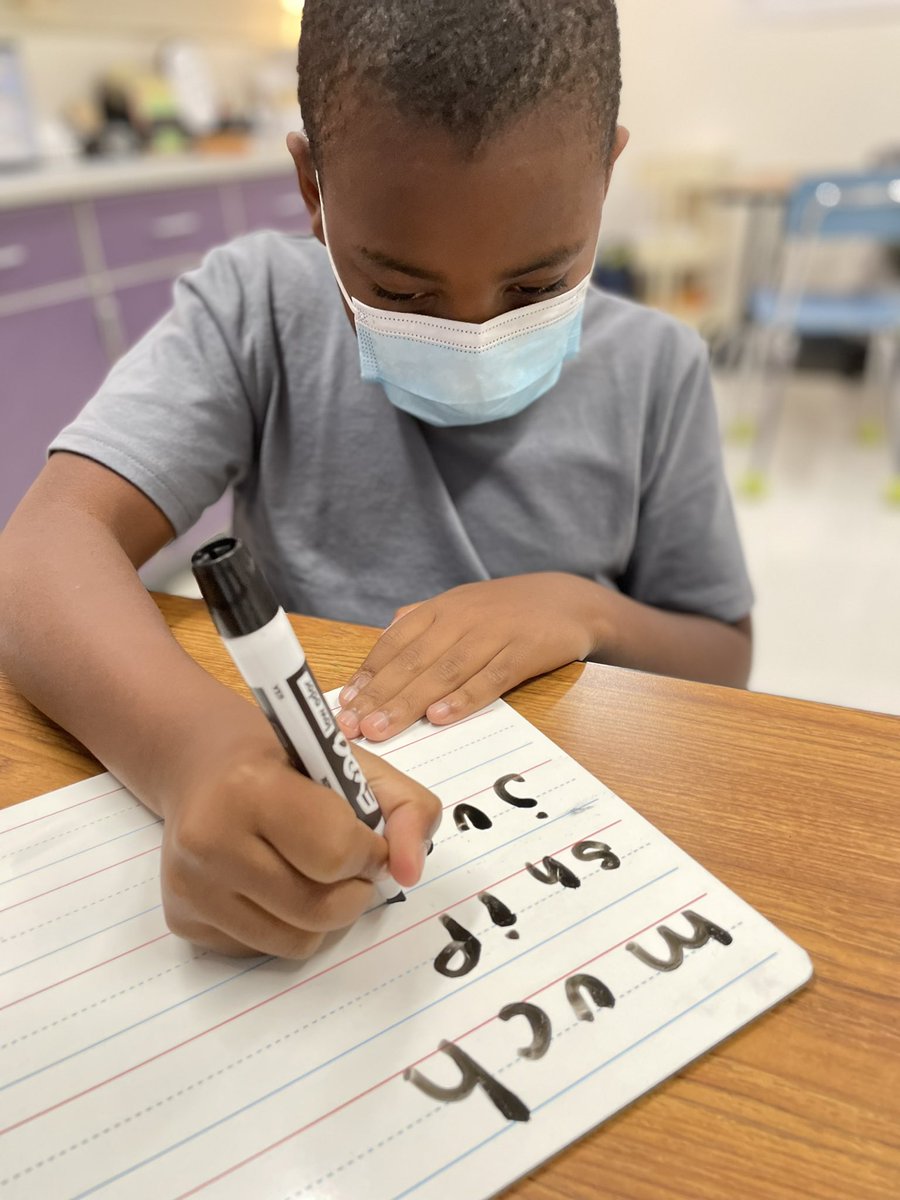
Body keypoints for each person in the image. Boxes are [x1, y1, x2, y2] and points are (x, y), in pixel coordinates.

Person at [0, 0, 752, 958]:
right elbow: (46, 546)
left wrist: (584, 609)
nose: (474, 334)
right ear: (312, 186)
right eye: (399, 293)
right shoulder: (258, 309)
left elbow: (721, 654)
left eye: (536, 287)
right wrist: (197, 752)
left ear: (606, 169)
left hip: (575, 871)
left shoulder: (659, 366)